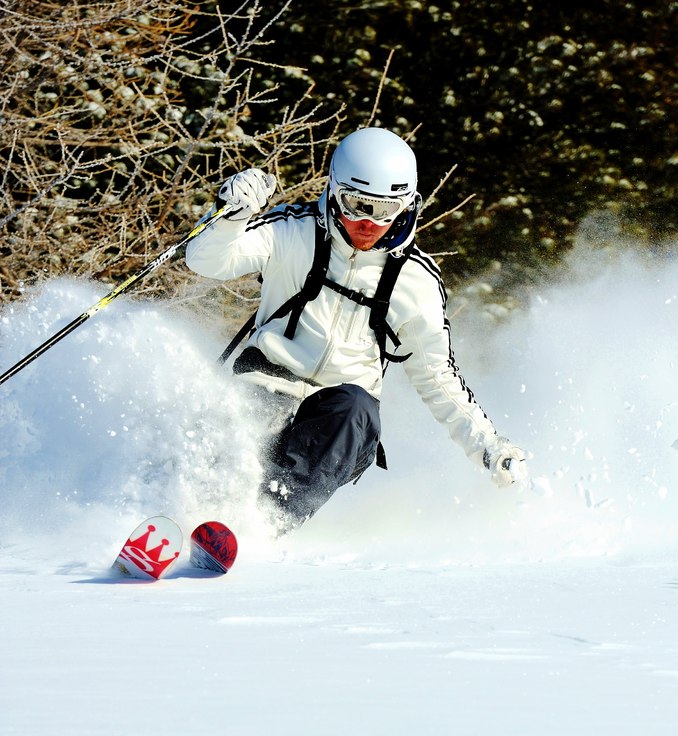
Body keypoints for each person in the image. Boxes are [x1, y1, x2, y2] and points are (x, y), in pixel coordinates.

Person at [185, 126, 527, 533]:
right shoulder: (290, 230)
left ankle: (262, 525)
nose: (368, 223)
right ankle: (181, 508)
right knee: (244, 418)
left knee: (354, 408)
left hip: (338, 425)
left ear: (407, 206)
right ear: (333, 191)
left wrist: (489, 445)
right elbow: (206, 262)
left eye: (385, 211)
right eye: (355, 205)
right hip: (264, 384)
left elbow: (437, 377)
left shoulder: (414, 283)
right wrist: (230, 218)